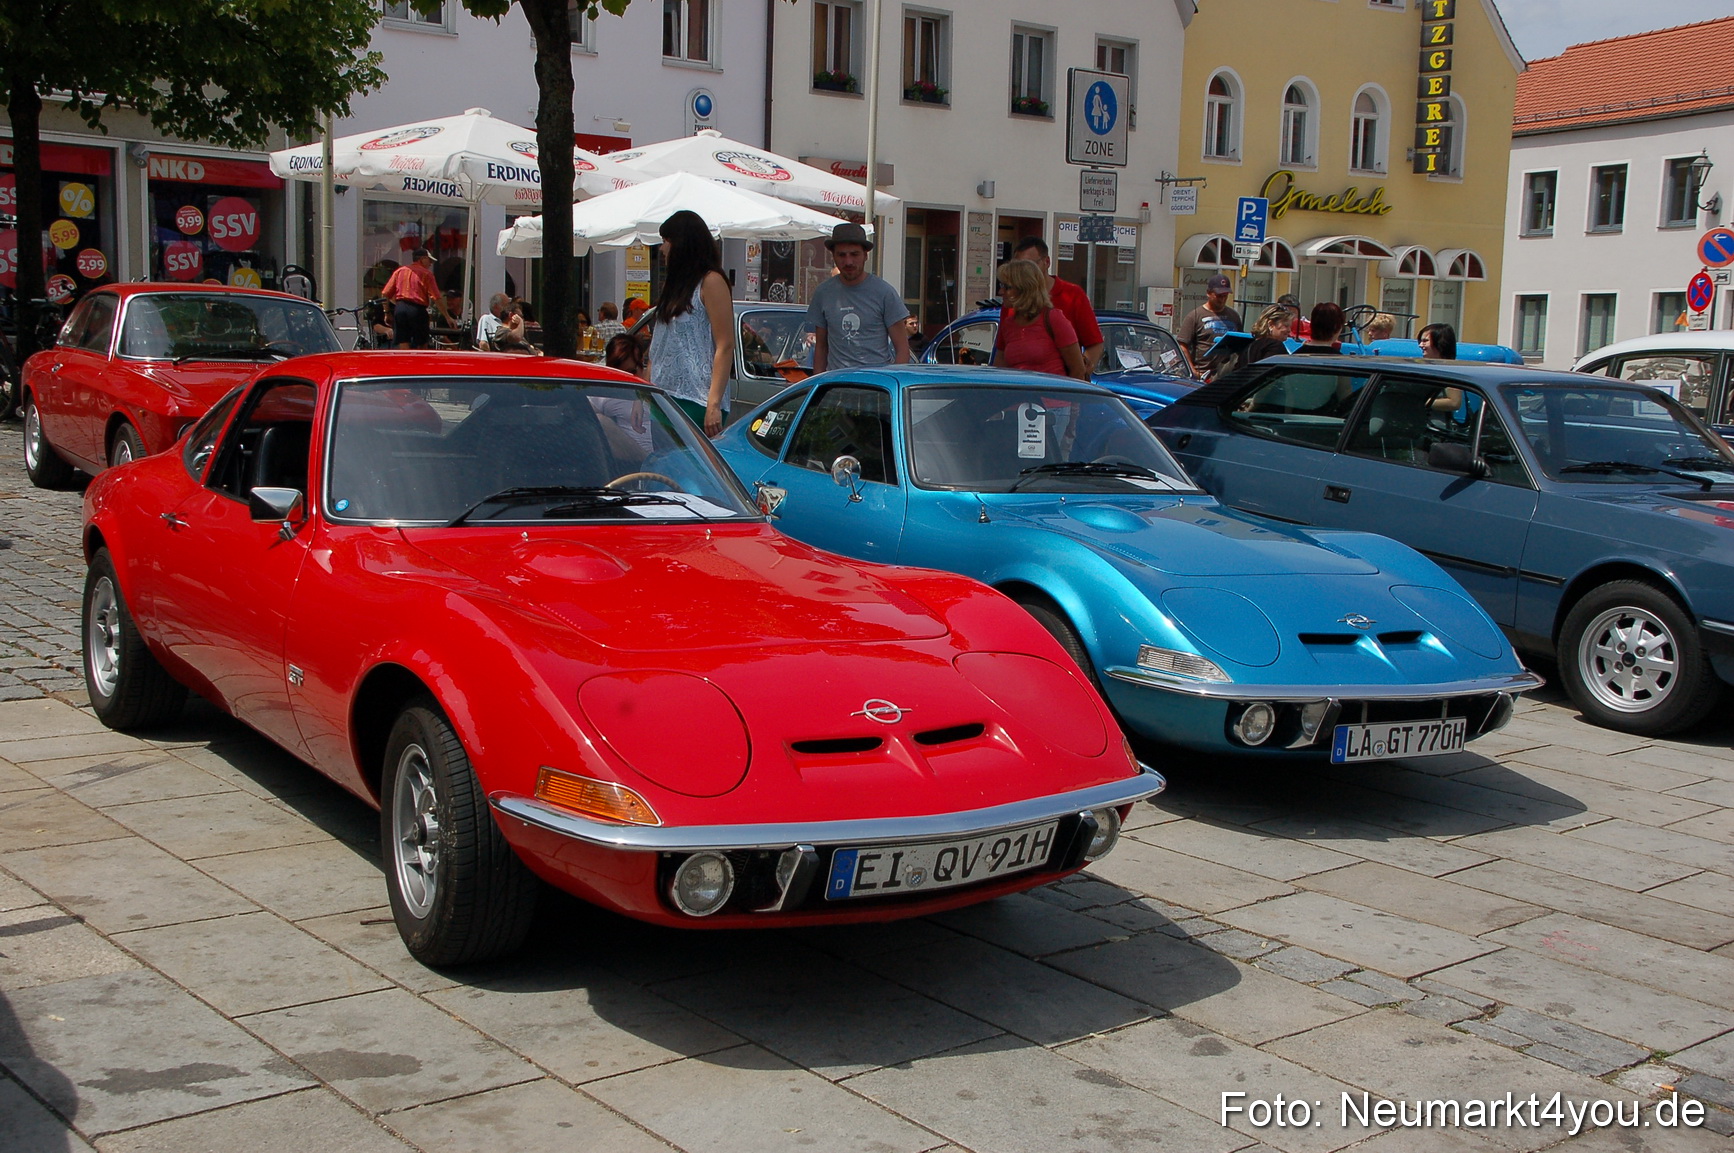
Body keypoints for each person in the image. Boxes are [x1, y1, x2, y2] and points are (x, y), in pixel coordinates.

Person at [646, 210, 735, 436]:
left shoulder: (711, 282)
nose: (662, 249)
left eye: (667, 241)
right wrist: (643, 394)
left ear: (682, 244)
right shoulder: (674, 286)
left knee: (690, 458)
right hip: (663, 395)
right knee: (662, 457)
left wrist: (713, 403)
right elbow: (658, 347)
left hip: (697, 398)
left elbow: (725, 344)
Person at [807, 221, 910, 372]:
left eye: (854, 254)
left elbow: (902, 349)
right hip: (837, 383)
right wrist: (819, 383)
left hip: (875, 383)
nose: (848, 261)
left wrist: (890, 380)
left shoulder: (884, 292)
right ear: (833, 257)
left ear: (865, 255)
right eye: (842, 255)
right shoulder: (823, 293)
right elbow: (821, 348)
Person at [1011, 236, 1104, 373]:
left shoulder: (1072, 295)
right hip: (1020, 383)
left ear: (1046, 262)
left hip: (1059, 383)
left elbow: (1095, 344)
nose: (1024, 272)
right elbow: (1001, 353)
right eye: (1018, 267)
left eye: (1030, 265)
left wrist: (1079, 374)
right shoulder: (1013, 299)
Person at [993, 259, 1088, 379]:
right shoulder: (1008, 324)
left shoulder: (1053, 318)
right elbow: (999, 370)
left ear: (1025, 289)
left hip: (1052, 389)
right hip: (1020, 390)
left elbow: (1078, 370)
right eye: (1001, 286)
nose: (1001, 292)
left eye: (1007, 287)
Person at [379, 247, 450, 349]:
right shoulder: (427, 274)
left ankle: (405, 358)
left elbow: (385, 294)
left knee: (403, 340)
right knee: (422, 342)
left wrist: (387, 313)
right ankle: (420, 358)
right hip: (417, 309)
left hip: (400, 308)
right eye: (429, 260)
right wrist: (447, 317)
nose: (430, 264)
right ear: (422, 259)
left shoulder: (399, 271)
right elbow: (436, 297)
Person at [1175, 274, 1243, 377]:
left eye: (1225, 296)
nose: (1222, 299)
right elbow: (1182, 346)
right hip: (1204, 374)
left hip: (1228, 374)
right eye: (1219, 295)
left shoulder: (1234, 316)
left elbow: (1240, 345)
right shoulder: (1194, 316)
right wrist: (1193, 371)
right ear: (1208, 293)